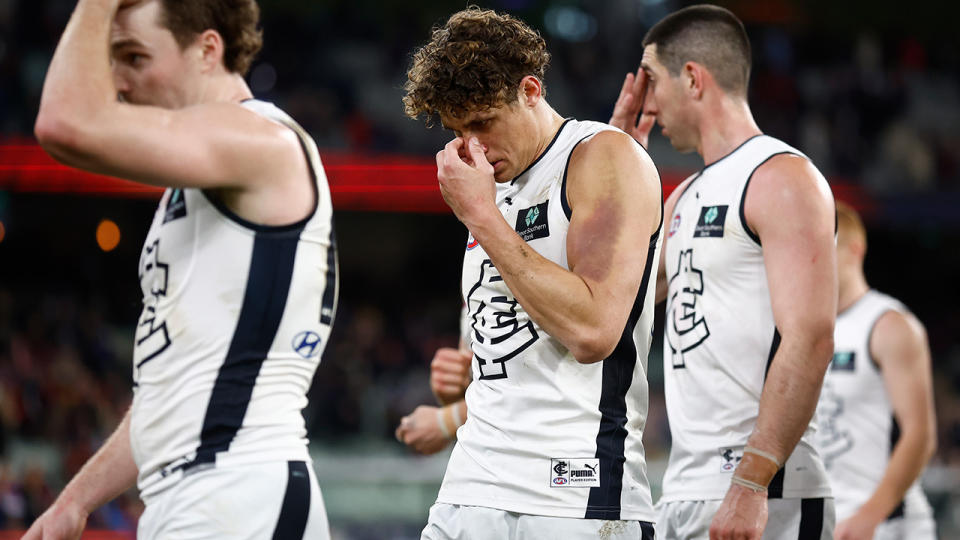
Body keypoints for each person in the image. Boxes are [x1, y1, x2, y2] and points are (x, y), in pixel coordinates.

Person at [29, 0, 337, 538]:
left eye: (134, 56)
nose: (118, 82)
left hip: (238, 491)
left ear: (207, 50)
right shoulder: (201, 183)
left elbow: (64, 123)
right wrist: (72, 503)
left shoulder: (263, 142)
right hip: (208, 494)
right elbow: (173, 394)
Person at [403, 7, 663, 539]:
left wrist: (480, 215)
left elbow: (593, 331)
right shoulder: (490, 184)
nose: (472, 147)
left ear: (529, 89)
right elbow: (507, 324)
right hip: (471, 482)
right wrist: (466, 374)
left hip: (574, 493)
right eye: (458, 130)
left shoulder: (602, 157)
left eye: (482, 124)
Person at [609, 5, 837, 540]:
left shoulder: (782, 176)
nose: (647, 100)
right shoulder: (683, 195)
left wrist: (752, 480)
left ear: (692, 78)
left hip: (764, 492)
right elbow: (619, 299)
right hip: (687, 490)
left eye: (653, 80)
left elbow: (811, 336)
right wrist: (618, 168)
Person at [814, 202, 937, 540]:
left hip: (888, 525)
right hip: (830, 522)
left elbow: (920, 435)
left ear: (855, 249)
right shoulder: (802, 332)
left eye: (825, 247)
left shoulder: (888, 325)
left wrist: (870, 516)